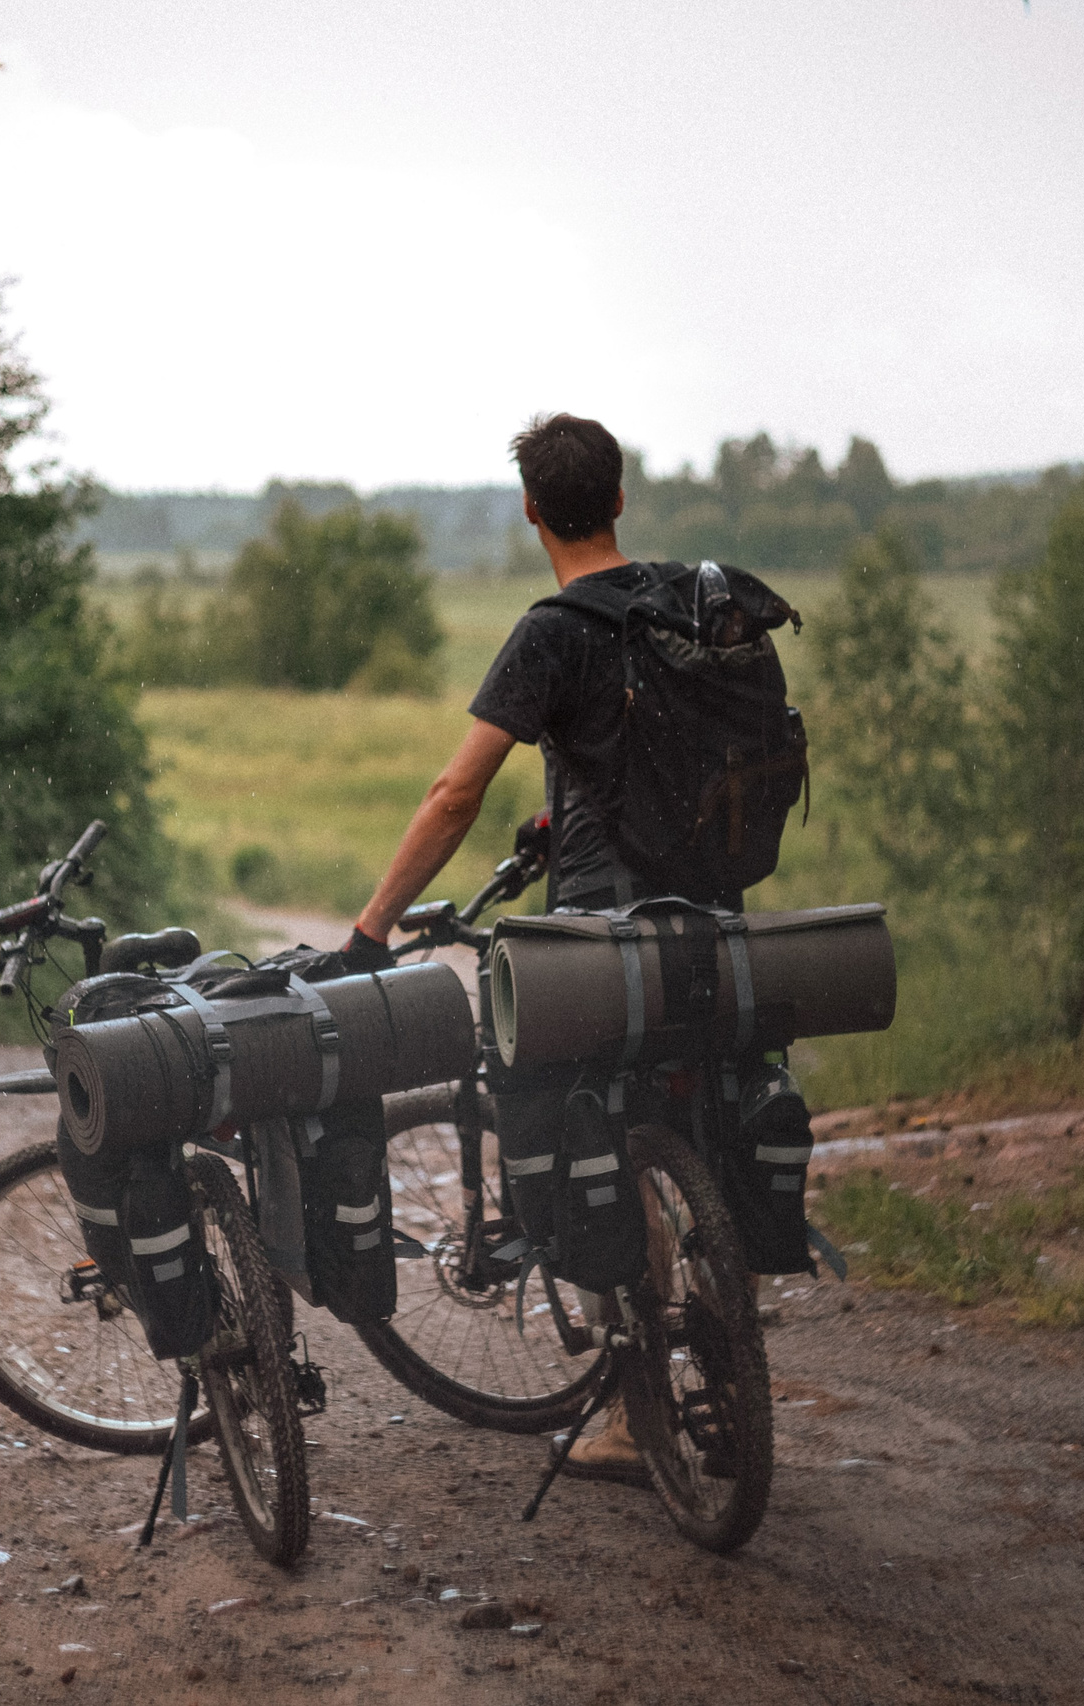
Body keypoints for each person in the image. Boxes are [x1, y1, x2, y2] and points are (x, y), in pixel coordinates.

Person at [342, 411, 754, 1483]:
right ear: (619, 496)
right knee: (678, 1122)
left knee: (574, 1130)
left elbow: (453, 792)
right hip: (713, 914)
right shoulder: (691, 600)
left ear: (533, 510)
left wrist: (371, 924)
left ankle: (628, 1412)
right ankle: (722, 1326)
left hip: (595, 936)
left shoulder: (553, 630)